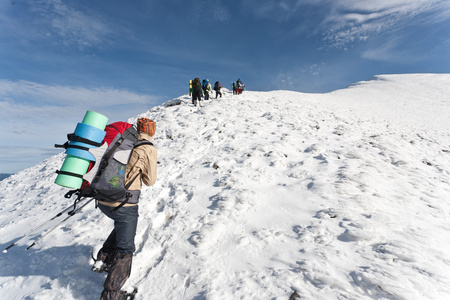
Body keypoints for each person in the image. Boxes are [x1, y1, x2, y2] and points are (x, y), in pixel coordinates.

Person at [94, 118, 157, 300]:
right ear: (151, 131)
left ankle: (103, 260)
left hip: (103, 199)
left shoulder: (123, 141)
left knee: (121, 226)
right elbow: (149, 180)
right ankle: (111, 294)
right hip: (124, 203)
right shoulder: (147, 147)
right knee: (126, 248)